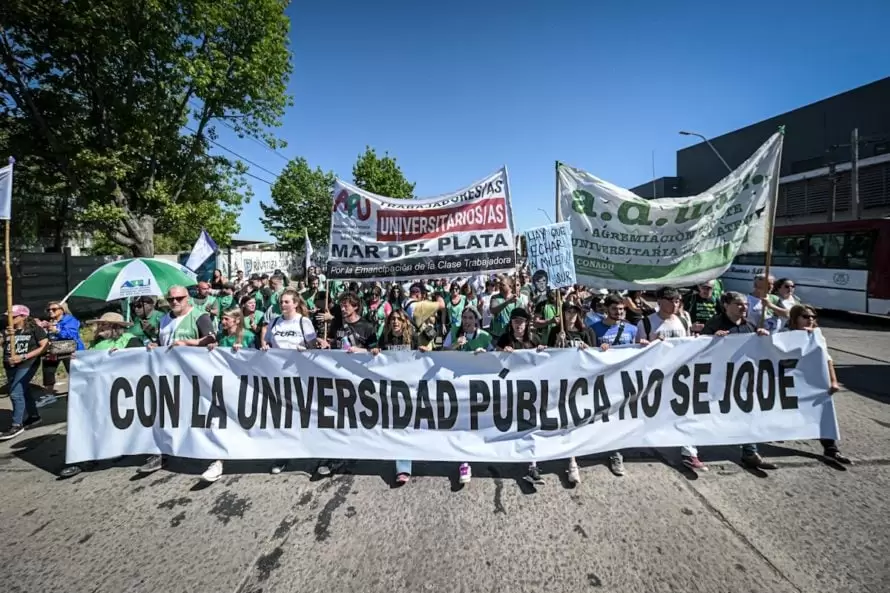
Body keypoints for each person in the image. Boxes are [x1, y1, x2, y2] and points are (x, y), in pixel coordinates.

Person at [139, 286, 216, 474]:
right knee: (165, 415)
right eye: (171, 298)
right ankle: (162, 454)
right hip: (168, 376)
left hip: (194, 377)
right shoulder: (165, 319)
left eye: (179, 298)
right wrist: (154, 345)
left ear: (187, 298)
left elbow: (212, 339)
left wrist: (189, 343)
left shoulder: (199, 316)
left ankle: (213, 457)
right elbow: (164, 342)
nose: (175, 302)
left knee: (200, 417)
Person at [58, 313, 143, 478]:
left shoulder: (130, 340)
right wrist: (79, 358)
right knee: (85, 423)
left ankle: (121, 447)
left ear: (115, 327)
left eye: (104, 325)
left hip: (119, 392)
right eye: (100, 325)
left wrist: (122, 355)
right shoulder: (97, 342)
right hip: (95, 390)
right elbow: (90, 362)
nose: (99, 328)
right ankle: (83, 458)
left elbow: (140, 361)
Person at [701, 291, 777, 471]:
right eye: (739, 304)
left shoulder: (749, 325)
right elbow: (699, 350)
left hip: (742, 381)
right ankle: (692, 451)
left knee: (748, 413)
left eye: (746, 305)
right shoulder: (714, 324)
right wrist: (712, 340)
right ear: (726, 305)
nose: (744, 307)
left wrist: (762, 337)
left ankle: (750, 453)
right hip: (718, 380)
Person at [636, 287, 706, 472]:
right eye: (670, 300)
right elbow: (637, 353)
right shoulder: (647, 323)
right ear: (659, 301)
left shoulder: (684, 320)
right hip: (656, 377)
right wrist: (649, 344)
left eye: (677, 300)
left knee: (686, 412)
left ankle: (690, 452)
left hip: (680, 376)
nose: (675, 304)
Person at [784, 304, 850, 464]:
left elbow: (827, 359)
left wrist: (833, 381)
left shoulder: (817, 336)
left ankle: (831, 449)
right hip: (790, 381)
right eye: (805, 317)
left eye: (813, 317)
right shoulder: (785, 335)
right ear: (795, 319)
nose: (810, 320)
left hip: (813, 382)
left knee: (822, 412)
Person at [371, 309, 427, 485]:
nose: (395, 322)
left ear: (404, 322)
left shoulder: (414, 338)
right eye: (392, 319)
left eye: (398, 319)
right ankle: (403, 467)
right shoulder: (385, 339)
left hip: (412, 387)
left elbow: (426, 357)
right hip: (392, 389)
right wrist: (375, 351)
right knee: (400, 425)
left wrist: (425, 351)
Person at [496, 308, 547, 485]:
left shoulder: (534, 340)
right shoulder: (504, 339)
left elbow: (544, 363)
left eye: (522, 321)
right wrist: (502, 352)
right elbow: (494, 364)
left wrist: (542, 351)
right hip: (509, 391)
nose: (519, 325)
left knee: (530, 425)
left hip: (530, 392)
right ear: (511, 323)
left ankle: (533, 465)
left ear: (527, 324)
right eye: (516, 321)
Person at [0, 305, 49, 441]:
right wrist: (5, 335)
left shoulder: (34, 329)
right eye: (9, 316)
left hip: (27, 363)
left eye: (14, 316)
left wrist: (23, 357)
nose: (10, 319)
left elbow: (44, 346)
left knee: (15, 392)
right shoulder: (7, 330)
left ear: (23, 316)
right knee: (24, 390)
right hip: (10, 364)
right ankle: (34, 416)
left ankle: (17, 425)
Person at [38, 300, 85, 407]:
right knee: (48, 370)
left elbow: (72, 335)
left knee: (73, 371)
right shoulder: (51, 321)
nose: (50, 311)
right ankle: (49, 395)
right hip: (54, 349)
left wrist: (56, 330)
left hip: (70, 349)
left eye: (54, 309)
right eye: (48, 310)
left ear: (62, 310)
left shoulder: (70, 320)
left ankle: (78, 393)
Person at [403, 283, 445, 351]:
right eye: (424, 294)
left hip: (412, 344)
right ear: (419, 294)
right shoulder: (421, 306)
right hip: (423, 347)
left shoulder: (405, 303)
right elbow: (442, 304)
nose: (425, 296)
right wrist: (438, 295)